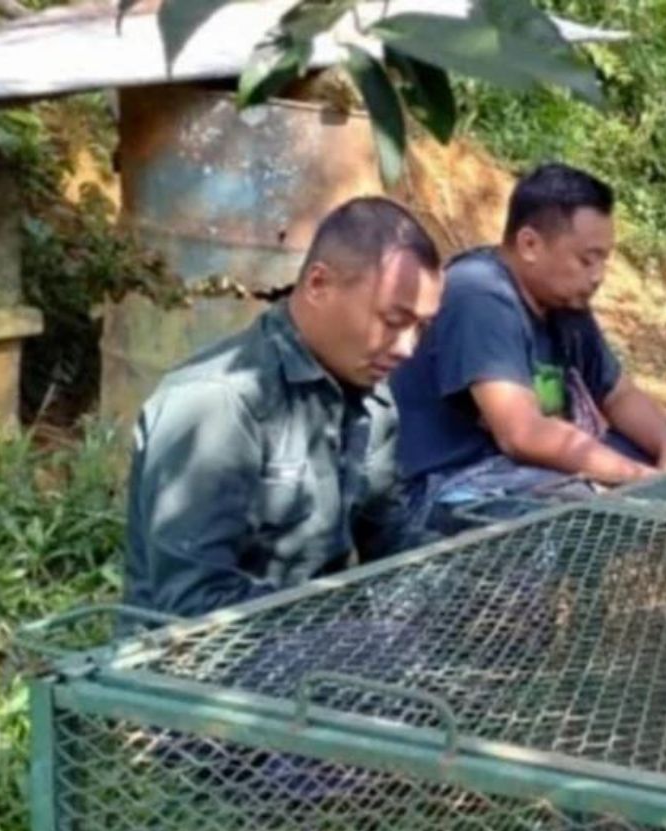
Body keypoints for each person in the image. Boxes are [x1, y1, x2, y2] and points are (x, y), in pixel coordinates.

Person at [120, 196, 444, 619]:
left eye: (421, 327)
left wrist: (464, 587)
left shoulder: (373, 399)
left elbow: (388, 539)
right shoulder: (218, 405)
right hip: (181, 671)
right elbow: (193, 607)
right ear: (317, 285)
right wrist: (343, 635)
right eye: (392, 320)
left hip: (308, 644)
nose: (407, 348)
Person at [391, 162, 666, 535]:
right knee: (574, 513)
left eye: (604, 260)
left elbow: (618, 394)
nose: (598, 276)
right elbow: (522, 434)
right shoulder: (479, 293)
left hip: (517, 472)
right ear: (530, 244)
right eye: (586, 259)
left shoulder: (565, 303)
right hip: (449, 484)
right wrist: (639, 478)